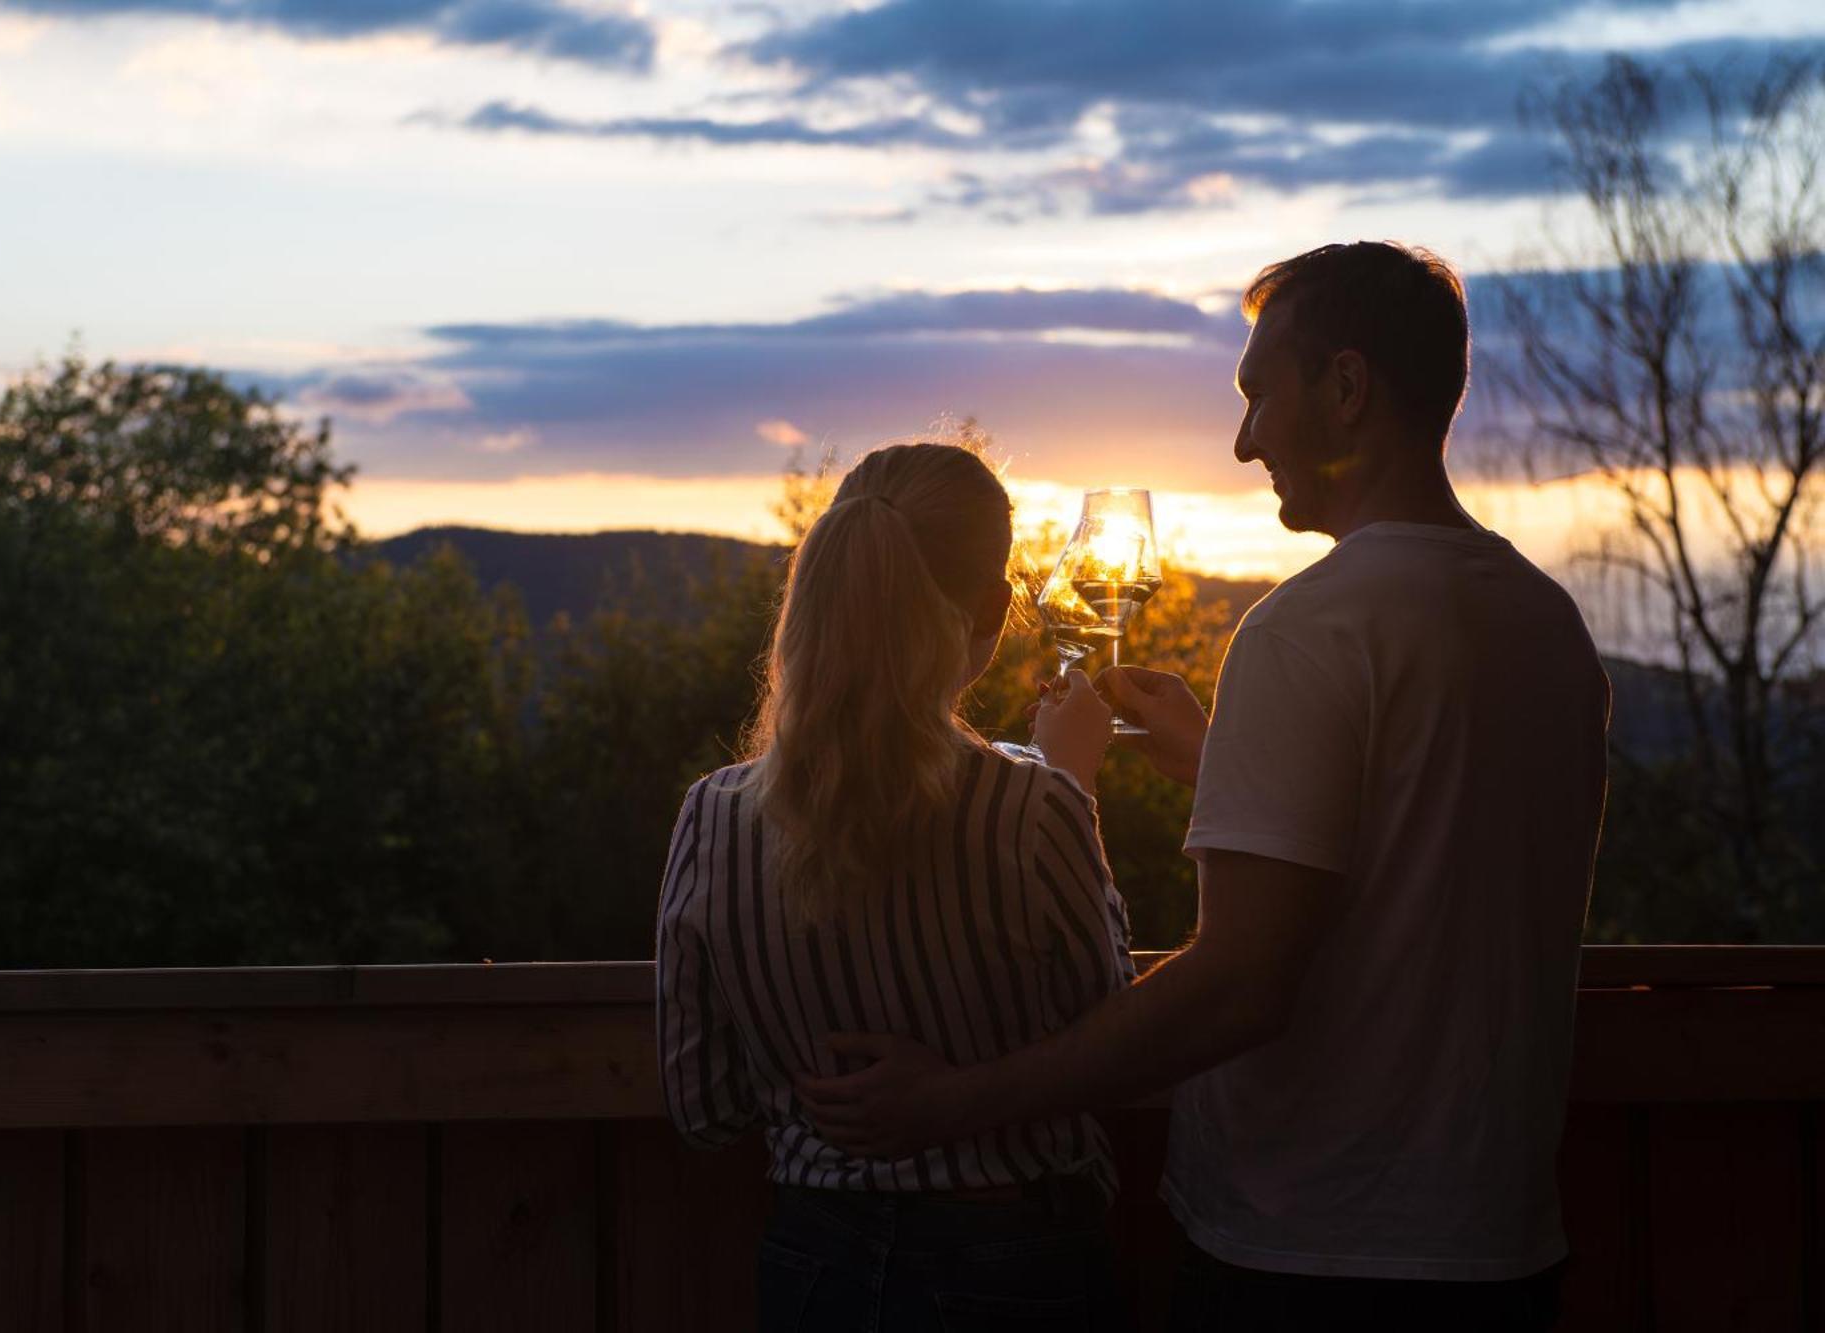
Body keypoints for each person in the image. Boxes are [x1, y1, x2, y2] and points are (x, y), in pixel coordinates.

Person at [797, 242, 1612, 1332]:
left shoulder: (1307, 629)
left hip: (1310, 1250)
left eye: (1255, 396)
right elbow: (1423, 857)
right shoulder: (1544, 624)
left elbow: (1240, 984)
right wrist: (1219, 758)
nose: (1240, 442)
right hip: (1499, 1243)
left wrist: (947, 1100)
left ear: (1343, 387)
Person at [655, 441, 1136, 1330]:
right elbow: (1116, 1044)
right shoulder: (1033, 812)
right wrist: (1074, 782)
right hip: (1017, 1264)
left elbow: (703, 1107)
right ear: (994, 607)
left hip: (812, 1264)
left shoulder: (711, 818)